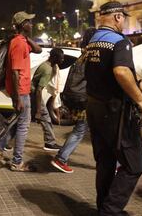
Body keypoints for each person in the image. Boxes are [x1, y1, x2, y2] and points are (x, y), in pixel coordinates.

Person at [84, 1, 142, 215]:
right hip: (115, 113)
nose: (124, 21)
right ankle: (110, 211)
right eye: (124, 18)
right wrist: (141, 100)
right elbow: (120, 71)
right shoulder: (120, 41)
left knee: (105, 162)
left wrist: (140, 81)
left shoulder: (93, 41)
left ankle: (103, 207)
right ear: (118, 17)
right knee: (134, 165)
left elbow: (120, 69)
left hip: (94, 109)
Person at [0, 11, 42, 172]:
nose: (32, 24)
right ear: (22, 25)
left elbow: (38, 50)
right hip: (21, 90)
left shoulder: (22, 41)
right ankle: (17, 162)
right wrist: (17, 97)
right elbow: (14, 71)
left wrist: (26, 37)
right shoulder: (19, 43)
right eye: (29, 21)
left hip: (21, 89)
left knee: (17, 123)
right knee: (23, 126)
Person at [51, 27, 97, 173]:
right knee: (81, 130)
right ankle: (61, 158)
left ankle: (61, 158)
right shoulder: (92, 56)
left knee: (83, 130)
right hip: (87, 100)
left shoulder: (82, 56)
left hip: (79, 99)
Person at [30, 48, 63, 151]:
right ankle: (50, 142)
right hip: (32, 94)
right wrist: (39, 111)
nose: (62, 60)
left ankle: (2, 139)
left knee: (20, 119)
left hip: (31, 93)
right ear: (54, 58)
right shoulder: (47, 69)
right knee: (45, 117)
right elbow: (39, 90)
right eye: (61, 58)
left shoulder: (48, 65)